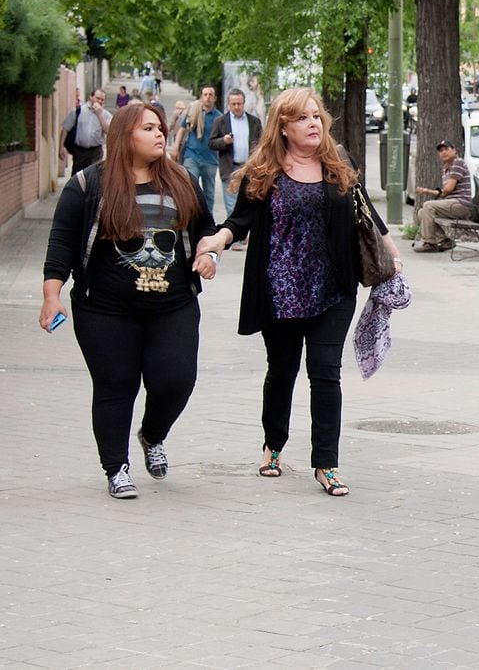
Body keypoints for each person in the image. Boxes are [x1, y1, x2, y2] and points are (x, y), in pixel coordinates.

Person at [195, 87, 402, 497]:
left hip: (333, 289)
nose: (314, 123)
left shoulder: (338, 162)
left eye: (316, 116)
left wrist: (391, 253)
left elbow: (366, 213)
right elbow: (240, 220)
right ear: (284, 127)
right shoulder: (265, 171)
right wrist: (217, 242)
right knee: (282, 372)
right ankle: (273, 446)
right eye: (303, 118)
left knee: (326, 374)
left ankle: (327, 463)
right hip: (280, 290)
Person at [40, 103, 218, 499]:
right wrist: (51, 295)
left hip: (172, 306)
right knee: (115, 386)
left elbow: (207, 228)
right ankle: (116, 467)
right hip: (104, 309)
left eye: (160, 128)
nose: (160, 134)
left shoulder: (182, 180)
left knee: (175, 381)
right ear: (125, 136)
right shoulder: (89, 185)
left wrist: (210, 254)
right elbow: (62, 244)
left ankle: (152, 435)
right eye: (149, 128)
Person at [209, 88, 263, 221]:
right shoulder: (221, 121)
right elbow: (211, 143)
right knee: (231, 205)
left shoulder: (254, 121)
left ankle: (246, 234)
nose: (237, 107)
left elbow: (262, 143)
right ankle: (235, 237)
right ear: (229, 104)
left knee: (251, 202)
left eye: (239, 103)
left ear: (244, 103)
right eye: (234, 104)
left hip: (250, 168)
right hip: (230, 168)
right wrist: (224, 141)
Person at [412, 140, 472, 253]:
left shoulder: (458, 163)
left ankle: (429, 243)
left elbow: (448, 189)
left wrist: (428, 191)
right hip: (452, 203)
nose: (443, 152)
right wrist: (428, 191)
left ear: (454, 150)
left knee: (428, 206)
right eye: (441, 150)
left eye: (446, 149)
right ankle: (444, 240)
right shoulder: (446, 168)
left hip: (461, 205)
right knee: (422, 212)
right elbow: (445, 192)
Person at [174, 86, 222, 214]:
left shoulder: (219, 118)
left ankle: (208, 219)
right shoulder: (193, 112)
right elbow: (182, 129)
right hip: (192, 156)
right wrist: (175, 147)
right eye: (205, 94)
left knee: (209, 193)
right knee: (190, 188)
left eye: (210, 94)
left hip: (210, 160)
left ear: (215, 98)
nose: (208, 97)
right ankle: (190, 217)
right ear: (201, 97)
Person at [59, 89, 113, 176]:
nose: (100, 101)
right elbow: (65, 129)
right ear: (91, 97)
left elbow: (109, 131)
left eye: (102, 100)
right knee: (77, 176)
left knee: (95, 176)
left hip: (96, 151)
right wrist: (61, 147)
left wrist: (100, 115)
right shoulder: (78, 111)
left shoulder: (106, 115)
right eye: (97, 98)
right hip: (80, 151)